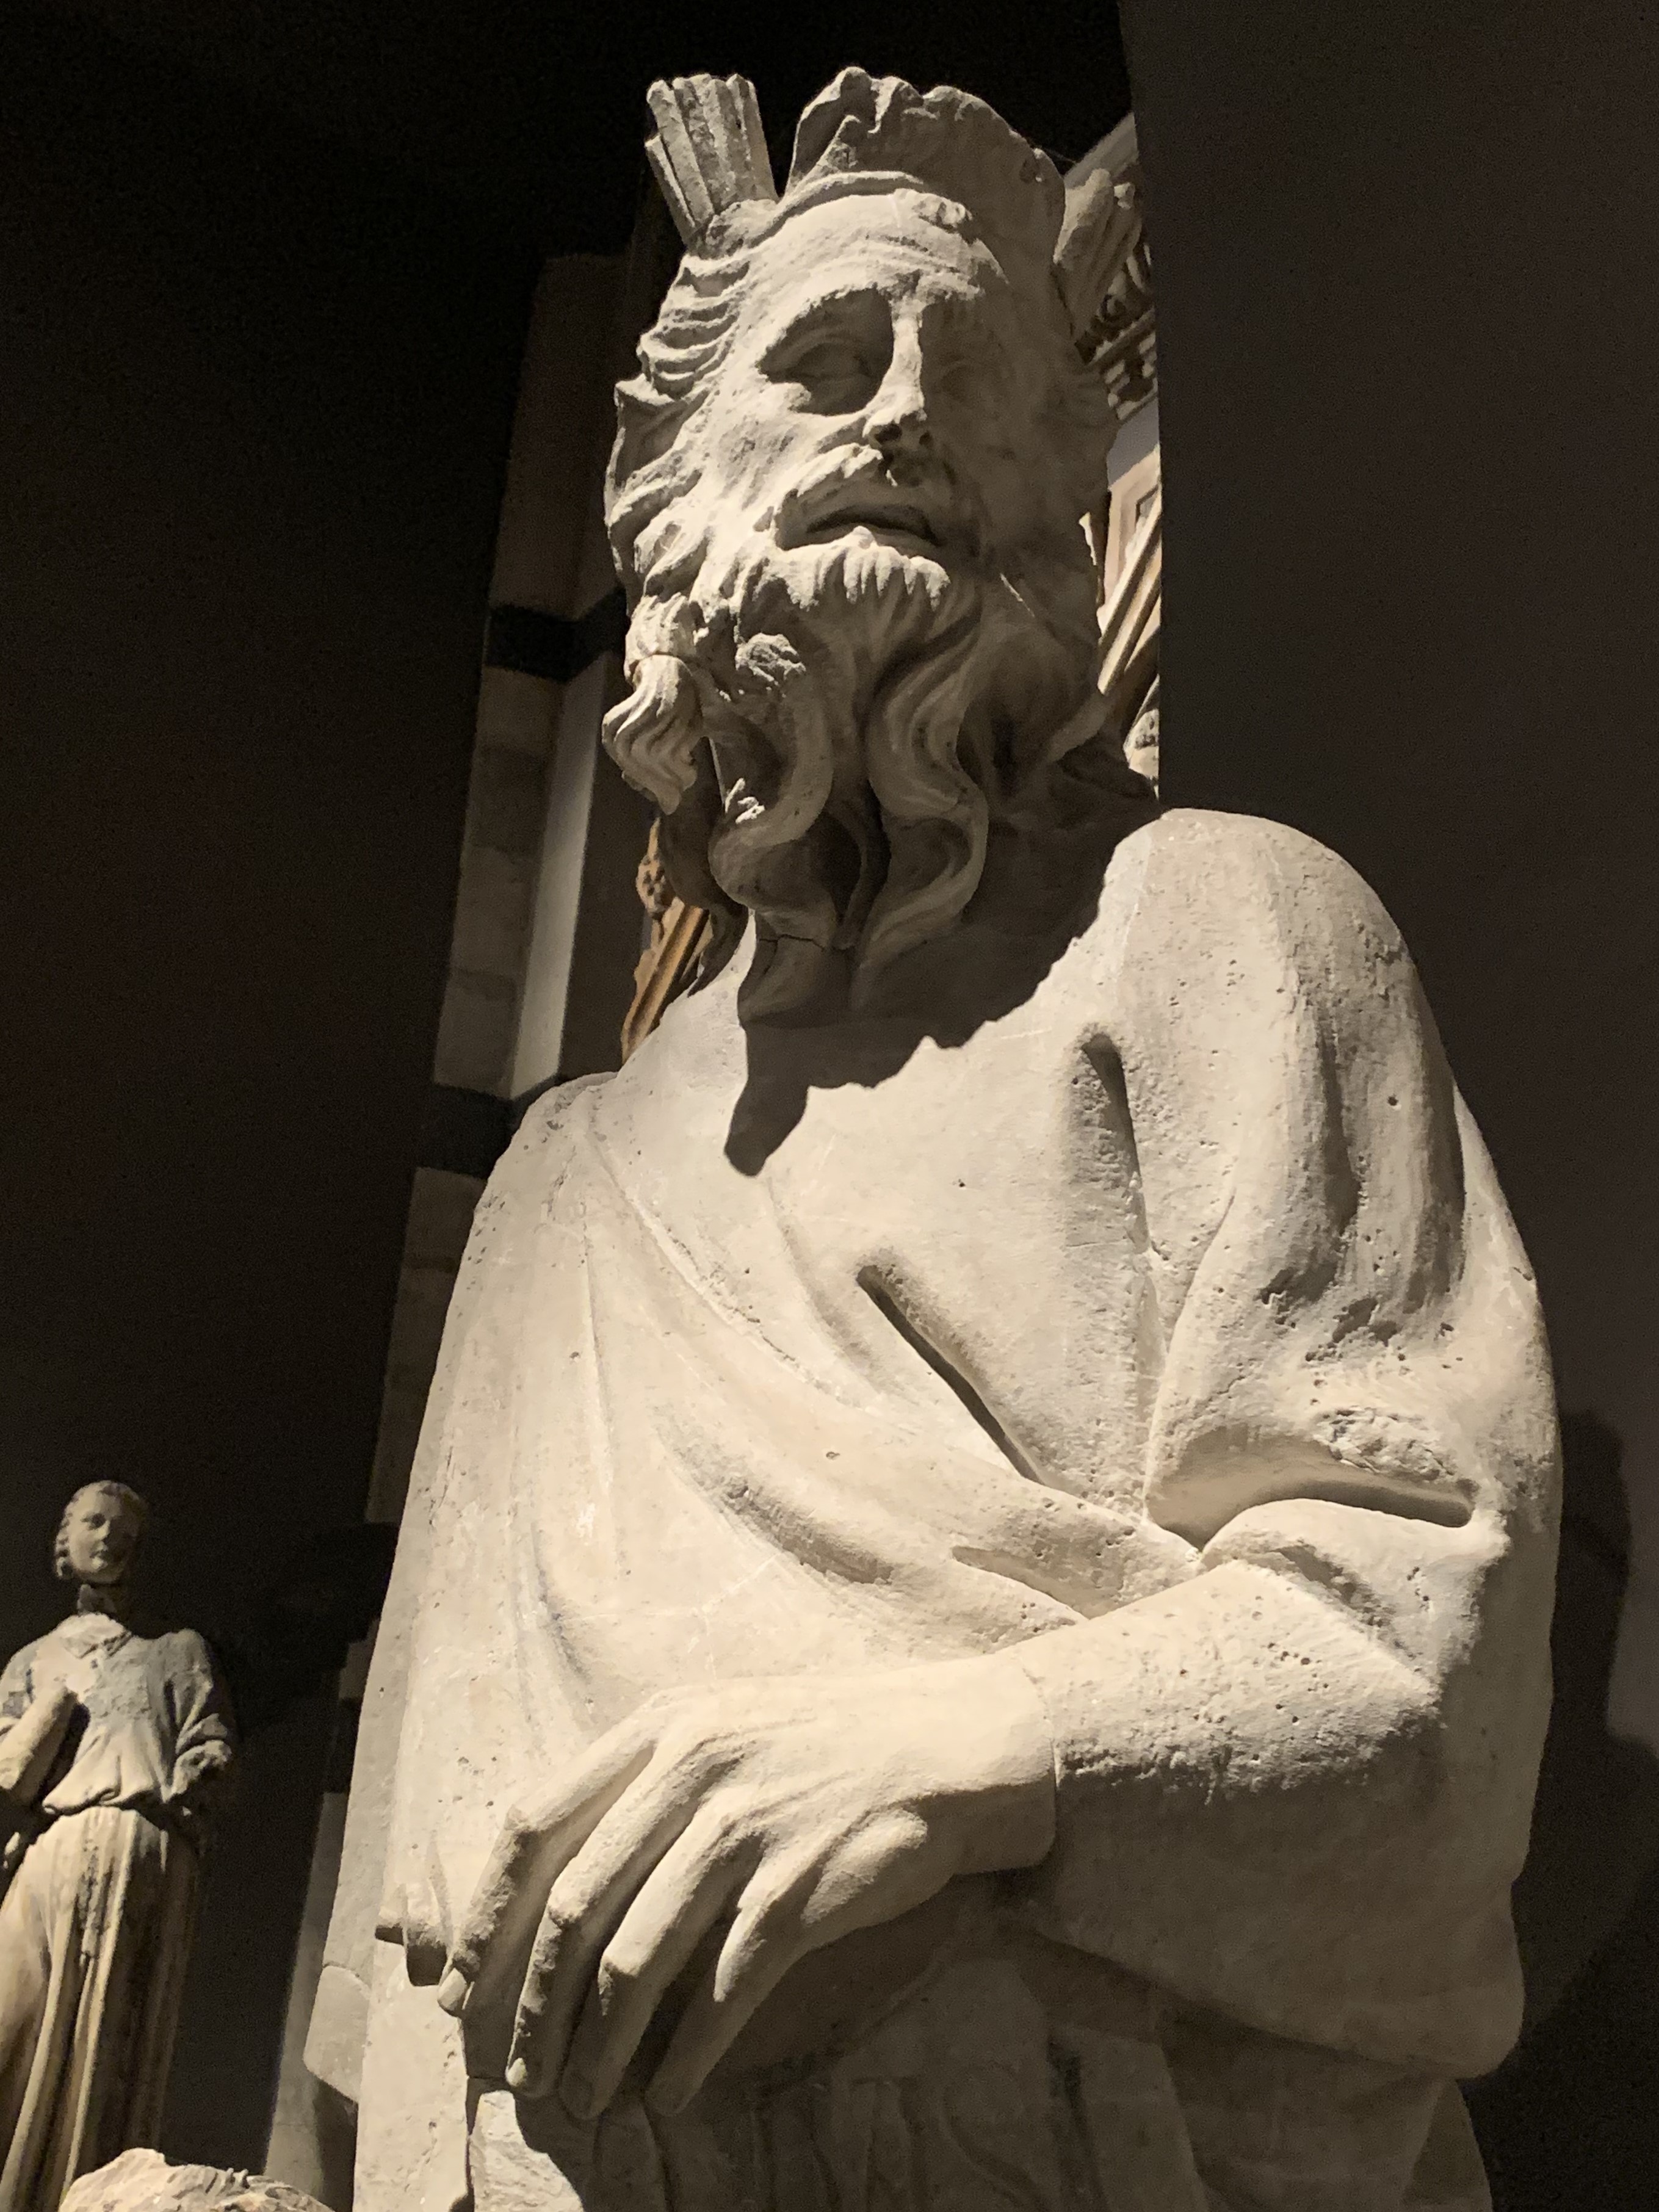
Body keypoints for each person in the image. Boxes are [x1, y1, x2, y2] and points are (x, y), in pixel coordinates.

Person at [337, 71, 1560, 2212]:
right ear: (667, 492)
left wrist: (972, 1753)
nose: (902, 408)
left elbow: (1419, 1651)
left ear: (1054, 500)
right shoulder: (556, 1188)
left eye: (968, 374)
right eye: (827, 357)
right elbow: (407, 1938)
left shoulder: (1226, 932)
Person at [0, 1483, 234, 2212]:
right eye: (95, 1523)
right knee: (12, 2024)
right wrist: (55, 1702)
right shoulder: (34, 1659)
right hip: (52, 1848)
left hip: (142, 1850)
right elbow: (8, 1774)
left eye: (125, 1530)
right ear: (64, 1540)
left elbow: (208, 1741)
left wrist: (206, 1765)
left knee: (108, 2049)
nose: (110, 1538)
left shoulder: (176, 1650)